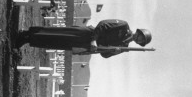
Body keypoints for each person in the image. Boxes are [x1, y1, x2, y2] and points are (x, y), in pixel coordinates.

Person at [15, 19, 152, 58]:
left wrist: (112, 52)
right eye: (140, 36)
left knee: (58, 43)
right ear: (138, 32)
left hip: (88, 46)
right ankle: (26, 32)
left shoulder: (123, 48)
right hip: (88, 34)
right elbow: (103, 24)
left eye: (141, 41)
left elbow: (104, 54)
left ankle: (27, 40)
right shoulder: (124, 26)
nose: (138, 39)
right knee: (59, 34)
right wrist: (94, 39)